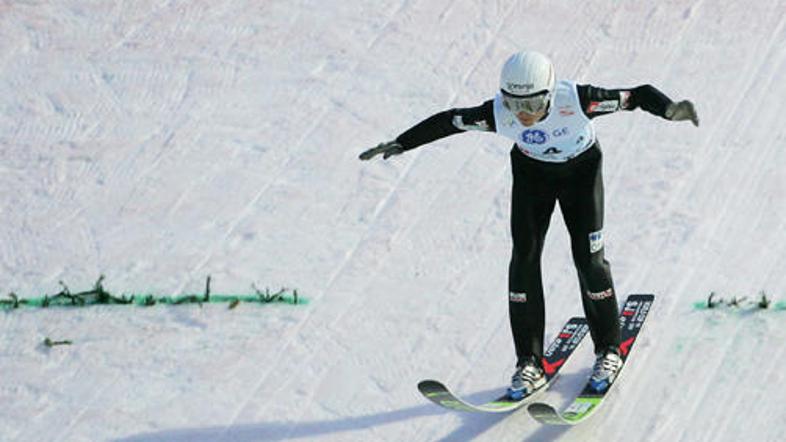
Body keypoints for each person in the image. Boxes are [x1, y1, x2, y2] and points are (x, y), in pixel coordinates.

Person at [359, 51, 698, 400]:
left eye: (534, 103)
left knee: (589, 260)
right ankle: (529, 362)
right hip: (532, 176)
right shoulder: (497, 113)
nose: (523, 113)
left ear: (550, 94)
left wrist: (670, 110)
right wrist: (403, 141)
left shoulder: (580, 100)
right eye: (514, 103)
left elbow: (637, 96)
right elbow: (450, 120)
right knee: (523, 260)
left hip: (581, 174)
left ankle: (609, 349)